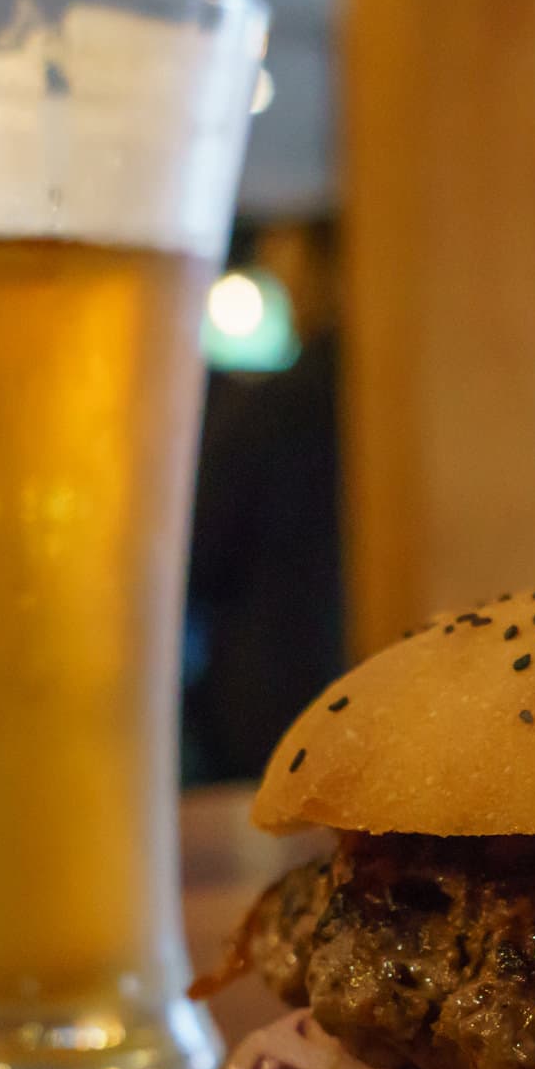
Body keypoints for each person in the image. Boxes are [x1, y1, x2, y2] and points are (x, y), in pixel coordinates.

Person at [187, 218, 346, 781]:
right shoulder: (394, 392)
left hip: (270, 673)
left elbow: (202, 548)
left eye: (288, 273)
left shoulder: (273, 405)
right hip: (363, 665)